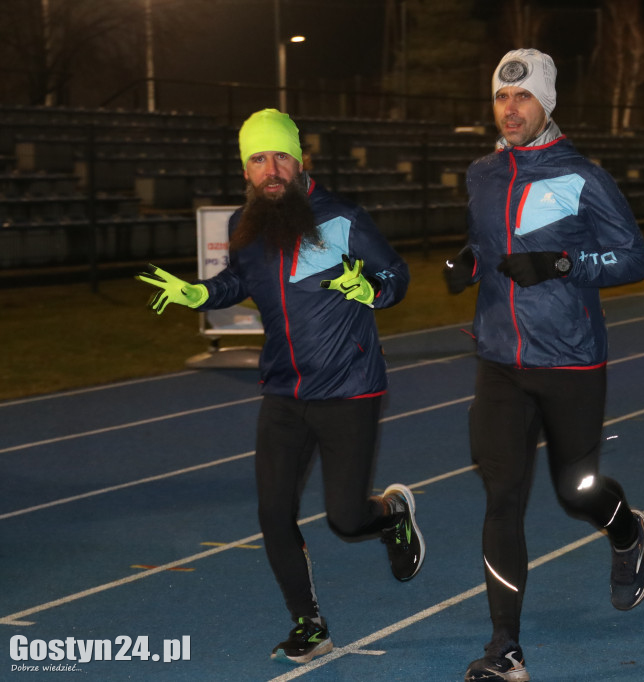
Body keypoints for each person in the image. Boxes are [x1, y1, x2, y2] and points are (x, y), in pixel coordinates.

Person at [136, 108, 423, 665]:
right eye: (258, 159)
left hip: (349, 387)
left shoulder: (343, 216)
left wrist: (370, 288)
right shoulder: (245, 226)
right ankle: (309, 624)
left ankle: (391, 514)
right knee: (273, 513)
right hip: (284, 391)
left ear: (300, 159)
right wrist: (201, 294)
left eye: (280, 156)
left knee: (345, 518)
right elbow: (239, 280)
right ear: (245, 169)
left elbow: (397, 275)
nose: (271, 169)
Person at [443, 49, 644, 682]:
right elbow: (488, 246)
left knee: (576, 492)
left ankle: (626, 532)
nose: (510, 109)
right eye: (502, 98)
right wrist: (468, 265)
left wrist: (564, 264)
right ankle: (505, 648)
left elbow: (633, 259)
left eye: (523, 98)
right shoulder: (482, 174)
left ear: (547, 103)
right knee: (501, 497)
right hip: (500, 361)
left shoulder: (584, 176)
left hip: (571, 362)